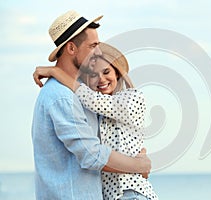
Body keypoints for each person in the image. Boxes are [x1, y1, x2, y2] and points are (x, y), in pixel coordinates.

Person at [31, 10, 151, 200]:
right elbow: (91, 155)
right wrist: (139, 166)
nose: (98, 51)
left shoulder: (84, 94)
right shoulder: (62, 96)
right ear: (71, 49)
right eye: (93, 45)